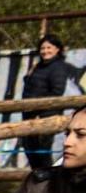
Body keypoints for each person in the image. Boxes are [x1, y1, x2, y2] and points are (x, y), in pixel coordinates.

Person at [21, 35, 77, 171]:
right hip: (29, 113)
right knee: (30, 148)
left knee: (42, 150)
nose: (45, 51)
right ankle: (39, 179)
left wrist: (39, 111)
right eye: (42, 48)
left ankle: (49, 181)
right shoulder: (39, 66)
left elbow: (57, 91)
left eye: (49, 48)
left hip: (46, 114)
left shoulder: (58, 67)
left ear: (57, 49)